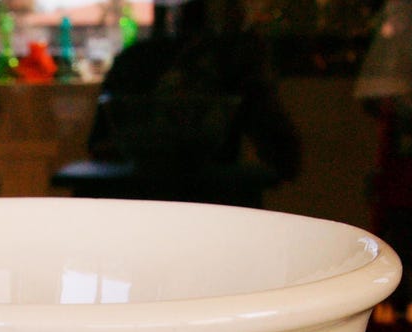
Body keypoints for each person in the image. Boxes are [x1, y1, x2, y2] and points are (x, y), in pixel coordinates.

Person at [86, 0, 301, 198]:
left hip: (136, 199)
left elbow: (98, 146)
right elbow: (285, 159)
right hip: (213, 202)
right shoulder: (230, 60)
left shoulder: (133, 60)